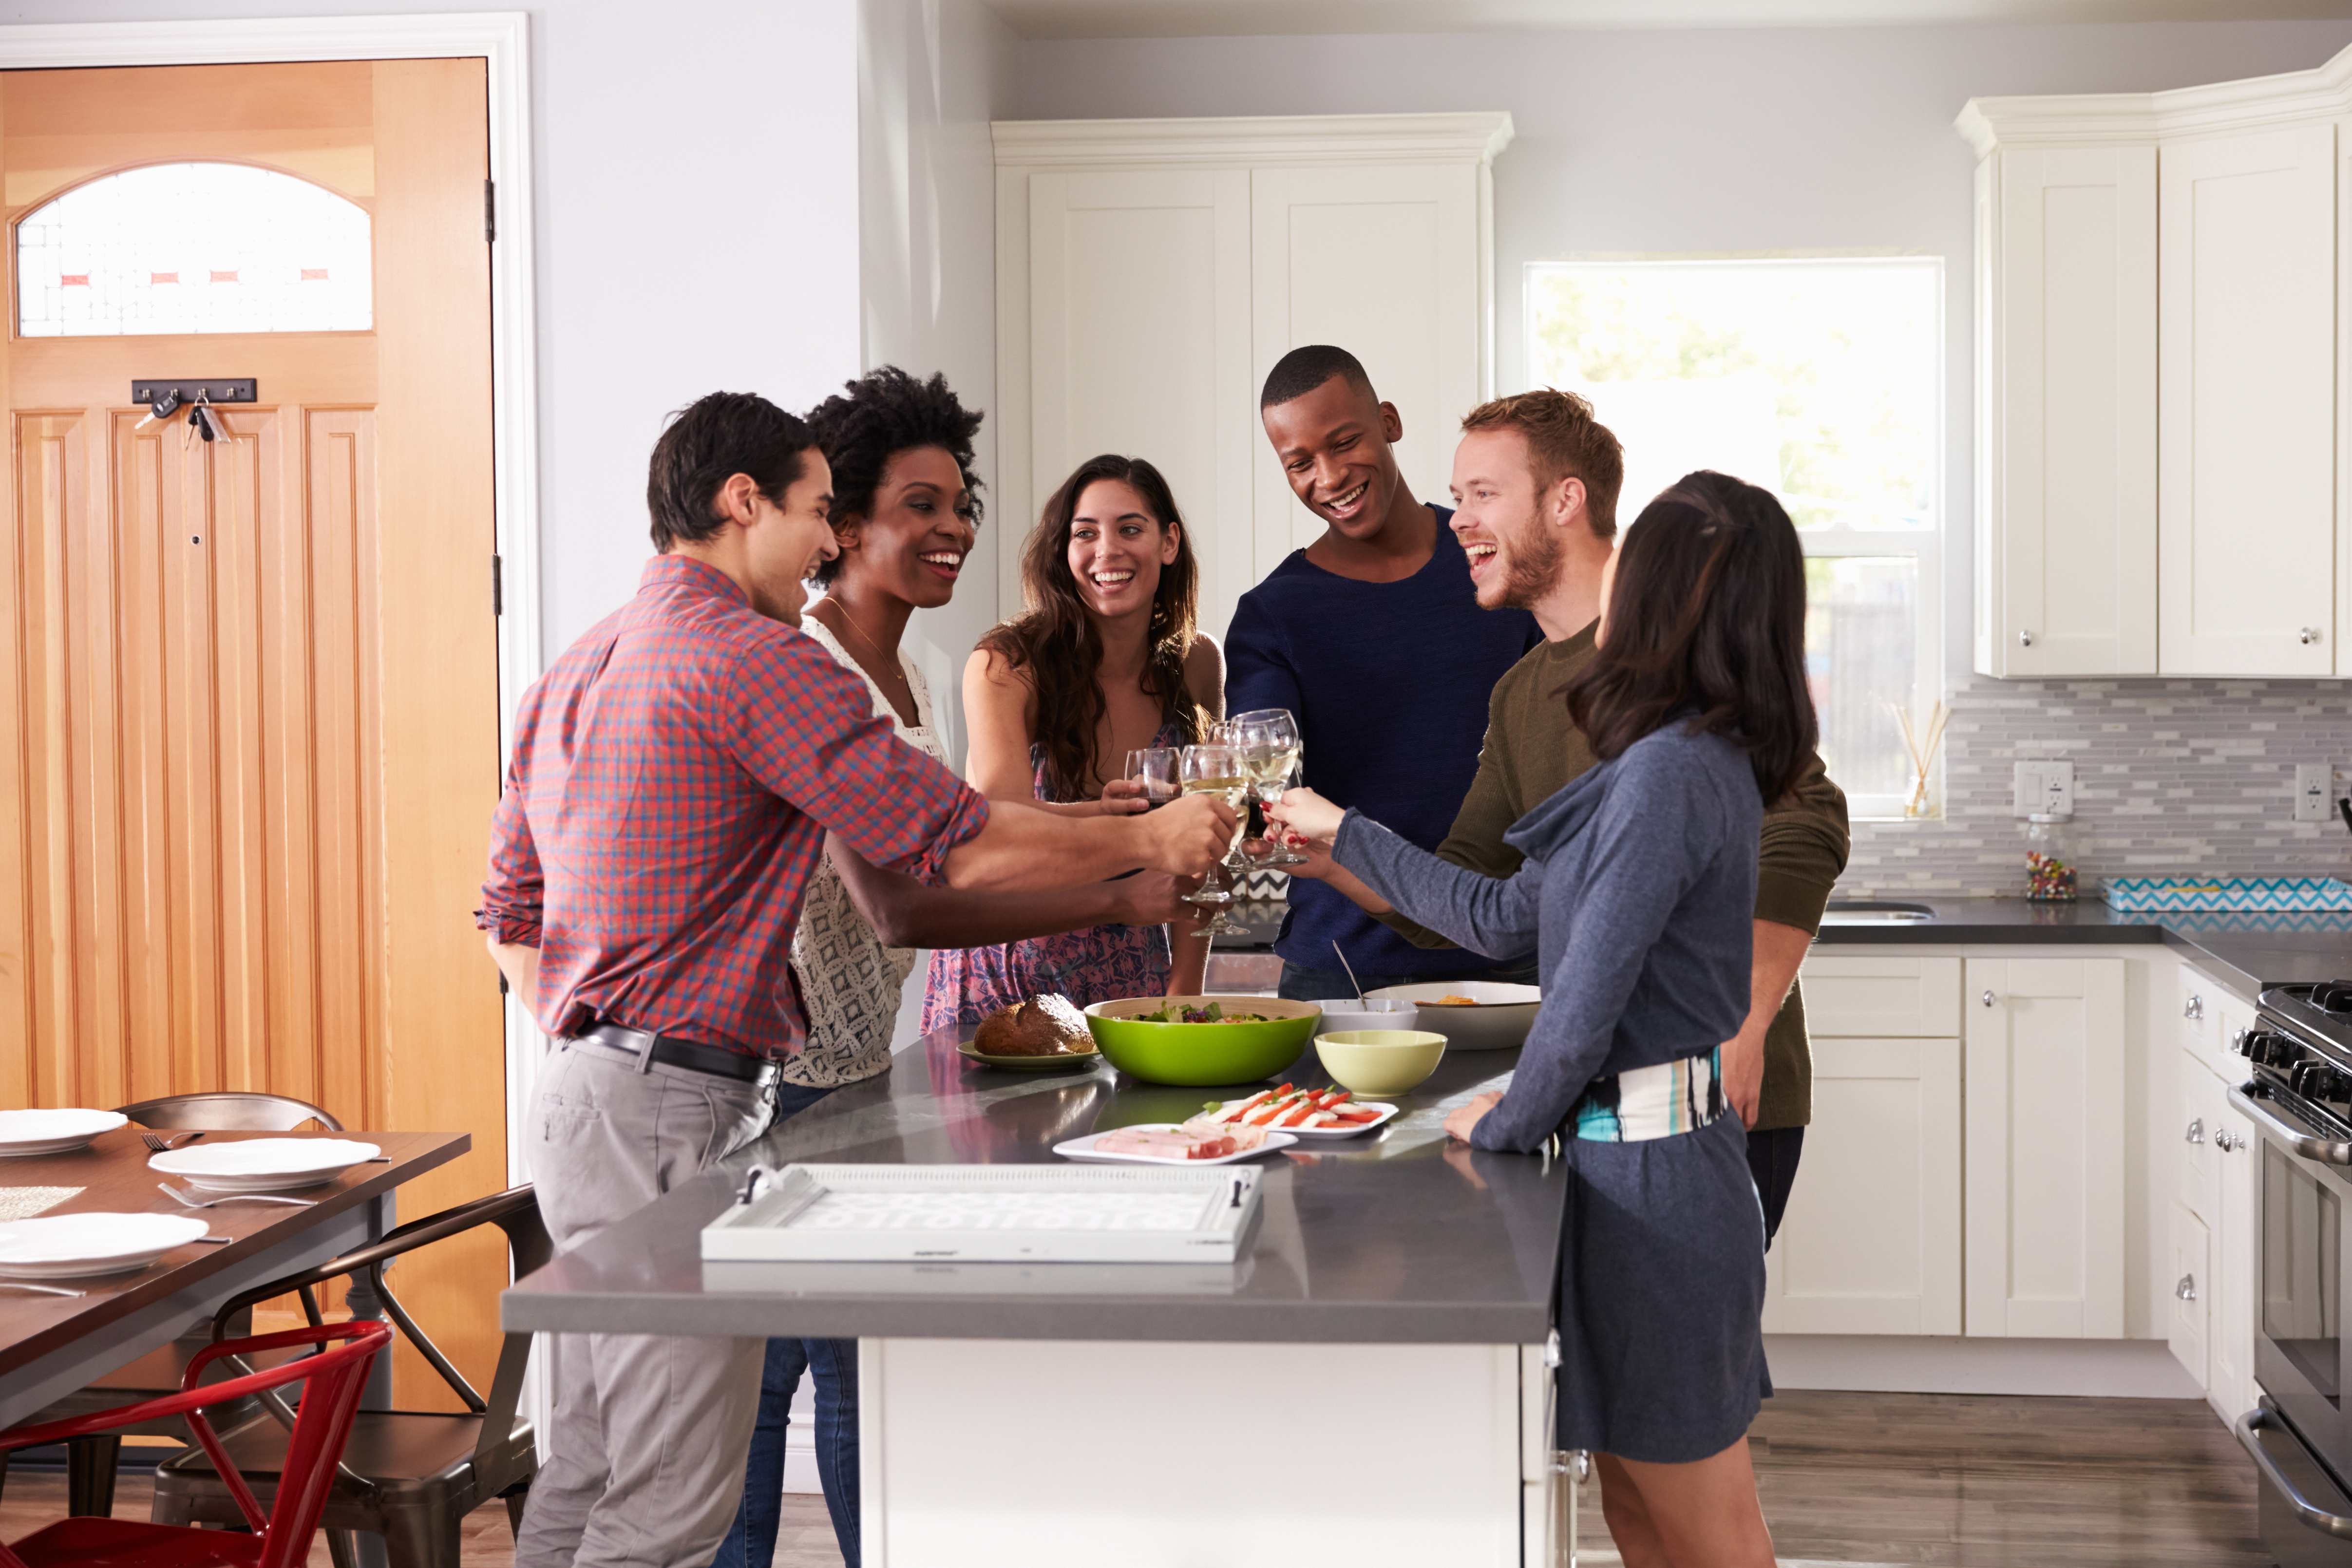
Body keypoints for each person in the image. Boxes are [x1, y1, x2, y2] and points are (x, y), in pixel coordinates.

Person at [480, 392, 1232, 1568]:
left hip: (578, 1098)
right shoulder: (756, 657)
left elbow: (507, 914)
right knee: (671, 1501)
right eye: (818, 512)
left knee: (581, 1463)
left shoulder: (576, 663)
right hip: (670, 1103)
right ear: (745, 504)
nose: (827, 542)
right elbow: (954, 843)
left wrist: (600, 1039)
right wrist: (1149, 844)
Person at [1270, 470, 1817, 1568]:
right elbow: (1498, 910)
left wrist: (1494, 1123)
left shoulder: (1668, 772)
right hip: (1630, 1178)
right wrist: (1343, 833)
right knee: (1637, 1514)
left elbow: (1578, 1012)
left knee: (1709, 1535)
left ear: (1664, 595)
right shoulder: (1659, 760)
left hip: (1659, 1186)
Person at [717, 370, 1200, 1568]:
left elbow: (953, 848)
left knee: (825, 1369)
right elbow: (905, 898)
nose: (951, 529)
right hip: (777, 1074)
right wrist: (1123, 868)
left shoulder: (909, 673)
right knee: (768, 1385)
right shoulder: (813, 664)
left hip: (843, 1063)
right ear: (840, 523)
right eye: (916, 504)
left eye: (959, 503)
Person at [1289, 389, 1848, 1241]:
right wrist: (1331, 851)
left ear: (1564, 499)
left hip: (1706, 1089)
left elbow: (1805, 817)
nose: (1456, 519)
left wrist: (1745, 1018)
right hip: (1596, 1108)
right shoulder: (1520, 692)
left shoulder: (1680, 655)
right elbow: (1483, 894)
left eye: (1481, 493)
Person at [1226, 345, 1542, 1002]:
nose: (1331, 475)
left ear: (1389, 423)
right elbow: (1263, 783)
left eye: (1345, 442)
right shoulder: (1272, 614)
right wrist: (1245, 812)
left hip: (1512, 956)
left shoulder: (1497, 565)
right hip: (1340, 972)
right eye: (1300, 463)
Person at [922, 453, 1223, 1029]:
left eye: (1130, 529)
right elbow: (997, 830)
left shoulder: (1198, 663)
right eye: (1085, 533)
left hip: (1134, 975)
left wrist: (1184, 989)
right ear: (1064, 552)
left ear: (1168, 542)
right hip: (1007, 976)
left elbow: (1200, 846)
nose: (1107, 551)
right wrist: (1121, 825)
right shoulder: (1007, 664)